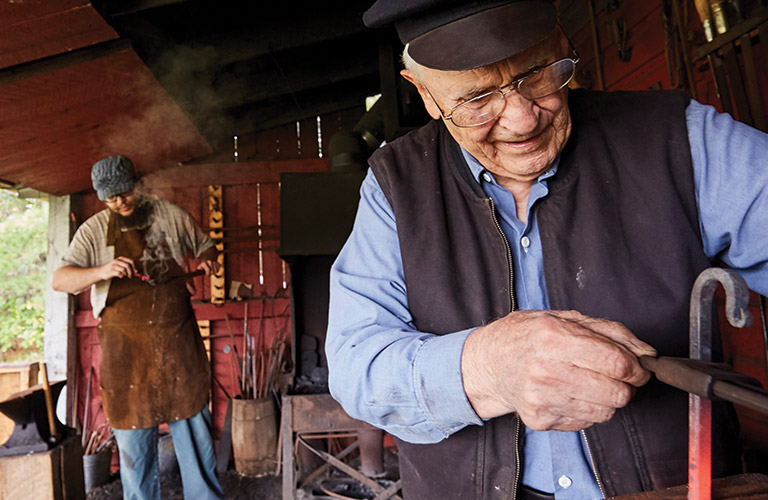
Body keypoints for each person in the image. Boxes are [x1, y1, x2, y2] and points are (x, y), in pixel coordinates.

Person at [325, 1, 768, 499]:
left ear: (561, 45)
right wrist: (489, 368)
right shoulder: (395, 186)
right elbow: (354, 365)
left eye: (537, 75)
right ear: (425, 94)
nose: (521, 119)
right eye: (477, 99)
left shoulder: (680, 139)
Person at [52, 155, 223, 500]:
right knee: (134, 455)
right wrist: (102, 271)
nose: (119, 202)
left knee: (197, 448)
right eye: (110, 197)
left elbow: (208, 248)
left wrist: (208, 260)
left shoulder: (171, 216)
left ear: (138, 182)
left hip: (178, 348)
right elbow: (61, 280)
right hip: (126, 356)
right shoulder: (94, 230)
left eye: (124, 193)